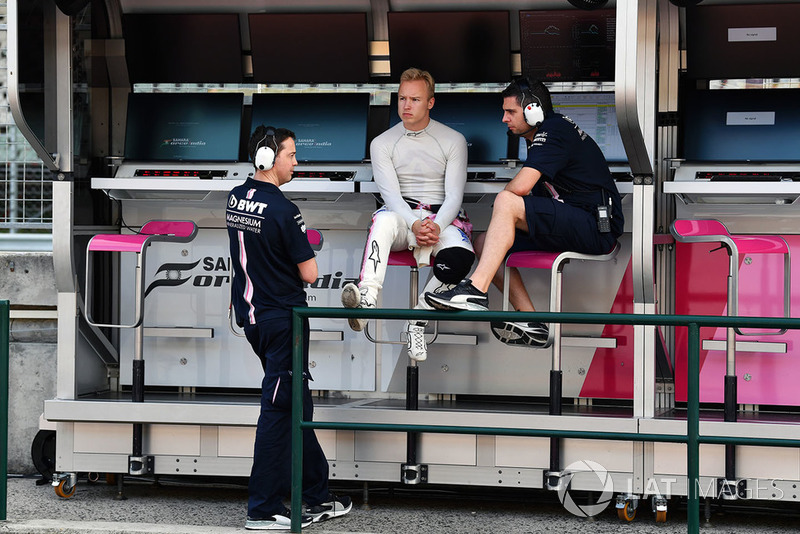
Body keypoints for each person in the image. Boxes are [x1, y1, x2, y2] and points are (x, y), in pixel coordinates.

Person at [425, 77, 624, 347]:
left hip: (595, 226)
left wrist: (507, 208)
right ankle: (530, 319)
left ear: (533, 110)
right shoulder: (541, 134)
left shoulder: (553, 130)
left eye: (510, 112)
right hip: (571, 218)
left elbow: (520, 188)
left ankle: (475, 290)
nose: (504, 119)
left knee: (507, 200)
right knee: (483, 242)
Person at [227, 125, 352, 530]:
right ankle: (261, 510)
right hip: (284, 322)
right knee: (279, 411)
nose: (296, 162)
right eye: (291, 155)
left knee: (298, 405)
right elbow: (311, 273)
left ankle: (316, 494)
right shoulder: (284, 209)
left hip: (251, 319)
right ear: (268, 158)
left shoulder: (236, 197)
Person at [341, 67, 475, 362]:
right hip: (404, 219)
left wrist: (435, 226)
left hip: (443, 219)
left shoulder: (452, 140)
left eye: (415, 99)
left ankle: (417, 321)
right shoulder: (382, 143)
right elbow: (390, 196)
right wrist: (415, 224)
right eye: (402, 98)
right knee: (384, 219)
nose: (406, 105)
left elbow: (455, 195)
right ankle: (367, 299)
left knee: (460, 259)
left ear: (430, 102)